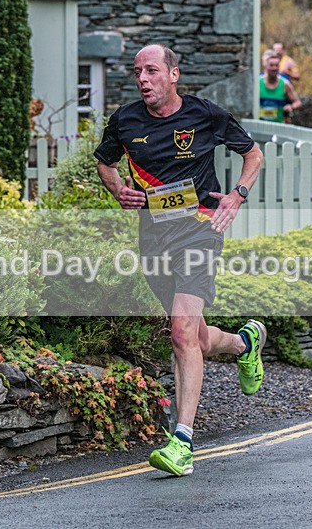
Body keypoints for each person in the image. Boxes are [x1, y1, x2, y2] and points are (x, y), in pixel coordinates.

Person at [94, 44, 267, 477]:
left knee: (180, 330)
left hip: (200, 230)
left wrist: (237, 195)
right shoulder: (125, 120)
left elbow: (253, 155)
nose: (143, 79)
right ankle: (246, 343)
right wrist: (119, 191)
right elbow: (104, 162)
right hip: (154, 237)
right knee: (197, 339)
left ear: (173, 74)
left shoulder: (205, 114)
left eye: (152, 70)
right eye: (137, 72)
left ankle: (182, 443)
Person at [260, 49, 302, 123]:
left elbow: (298, 102)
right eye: (271, 65)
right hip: (259, 127)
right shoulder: (258, 83)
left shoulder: (285, 84)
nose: (274, 68)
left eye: (276, 65)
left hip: (279, 127)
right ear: (266, 66)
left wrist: (291, 107)